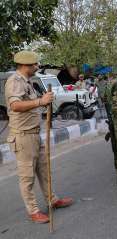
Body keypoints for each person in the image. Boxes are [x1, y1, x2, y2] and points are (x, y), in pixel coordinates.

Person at [5, 51, 73, 224]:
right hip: (23, 137)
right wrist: (40, 102)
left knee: (44, 171)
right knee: (27, 177)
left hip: (34, 134)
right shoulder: (15, 81)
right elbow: (15, 105)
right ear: (25, 65)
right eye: (34, 64)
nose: (37, 67)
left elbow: (34, 105)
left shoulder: (27, 82)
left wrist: (45, 102)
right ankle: (33, 211)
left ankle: (52, 199)